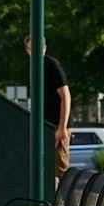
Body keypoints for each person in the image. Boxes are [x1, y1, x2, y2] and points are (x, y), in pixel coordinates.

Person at [24, 34, 72, 178]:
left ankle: (63, 193)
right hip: (43, 125)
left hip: (56, 126)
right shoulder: (35, 69)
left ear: (44, 48)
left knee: (60, 168)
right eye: (31, 49)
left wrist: (62, 127)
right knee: (44, 170)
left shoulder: (51, 65)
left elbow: (65, 96)